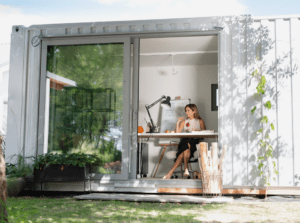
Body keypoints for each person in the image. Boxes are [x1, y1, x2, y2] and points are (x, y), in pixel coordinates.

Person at [163, 104, 206, 179]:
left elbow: (205, 134)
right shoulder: (184, 121)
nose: (186, 112)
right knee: (186, 143)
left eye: (188, 110)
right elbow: (177, 133)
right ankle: (186, 168)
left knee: (184, 151)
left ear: (194, 111)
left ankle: (171, 172)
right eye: (186, 111)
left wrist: (199, 131)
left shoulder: (200, 121)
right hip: (184, 141)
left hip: (194, 143)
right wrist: (177, 122)